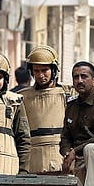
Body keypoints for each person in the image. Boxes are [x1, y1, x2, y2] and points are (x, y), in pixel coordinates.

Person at [19, 46, 73, 174]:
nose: (40, 75)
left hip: (63, 161)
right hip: (33, 163)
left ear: (53, 70)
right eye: (36, 71)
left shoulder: (68, 93)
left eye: (45, 70)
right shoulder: (23, 97)